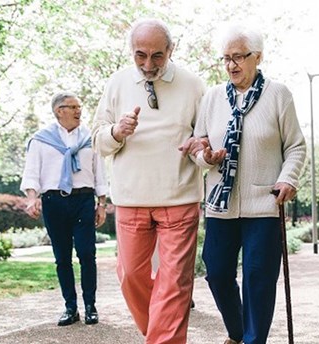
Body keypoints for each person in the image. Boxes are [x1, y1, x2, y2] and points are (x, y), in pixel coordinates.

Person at [91, 18, 205, 344]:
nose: (148, 64)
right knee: (129, 276)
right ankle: (159, 333)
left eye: (157, 55)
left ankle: (163, 339)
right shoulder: (116, 84)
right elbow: (98, 141)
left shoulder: (193, 85)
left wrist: (202, 155)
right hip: (130, 198)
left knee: (174, 283)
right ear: (131, 51)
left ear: (171, 50)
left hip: (179, 197)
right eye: (140, 55)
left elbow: (203, 141)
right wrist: (116, 132)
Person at [192, 24, 306, 344]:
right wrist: (207, 158)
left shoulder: (278, 94)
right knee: (216, 272)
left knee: (258, 277)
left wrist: (287, 178)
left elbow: (295, 146)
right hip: (221, 204)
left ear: (258, 57)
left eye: (239, 56)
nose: (231, 65)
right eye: (226, 58)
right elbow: (199, 148)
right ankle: (238, 331)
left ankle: (254, 340)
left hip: (264, 203)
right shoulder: (213, 98)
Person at [21, 92, 108, 326]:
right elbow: (32, 172)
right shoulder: (41, 140)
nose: (79, 111)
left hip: (83, 200)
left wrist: (102, 204)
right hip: (54, 202)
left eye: (80, 107)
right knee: (62, 258)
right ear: (60, 110)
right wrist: (31, 198)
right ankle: (71, 308)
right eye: (73, 107)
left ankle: (90, 306)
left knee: (87, 253)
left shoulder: (91, 137)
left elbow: (99, 172)